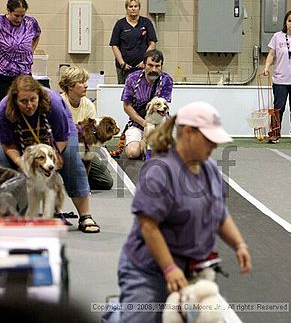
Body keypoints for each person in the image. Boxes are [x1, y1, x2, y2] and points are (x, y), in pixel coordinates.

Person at [103, 101, 252, 323]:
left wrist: (239, 245)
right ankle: (116, 313)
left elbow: (219, 214)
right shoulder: (160, 170)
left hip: (192, 268)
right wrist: (169, 268)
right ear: (189, 133)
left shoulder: (209, 168)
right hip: (149, 269)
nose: (214, 145)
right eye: (209, 139)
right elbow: (148, 226)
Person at [0, 75, 100, 233]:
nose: (29, 105)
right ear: (15, 100)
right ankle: (8, 213)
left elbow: (62, 137)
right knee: (3, 162)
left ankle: (85, 216)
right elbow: (7, 143)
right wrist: (23, 163)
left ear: (39, 96)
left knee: (71, 160)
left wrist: (52, 157)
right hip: (19, 138)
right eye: (23, 101)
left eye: (33, 99)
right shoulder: (4, 108)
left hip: (56, 136)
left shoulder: (53, 102)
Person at [59, 65, 113, 190]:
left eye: (86, 82)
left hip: (82, 149)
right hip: (61, 149)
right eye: (81, 82)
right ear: (70, 86)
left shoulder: (88, 105)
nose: (86, 85)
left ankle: (76, 179)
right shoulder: (59, 103)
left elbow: (92, 136)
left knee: (107, 182)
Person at [121, 49, 173, 159]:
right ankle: (143, 142)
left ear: (161, 66)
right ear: (143, 65)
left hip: (160, 123)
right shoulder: (132, 79)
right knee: (132, 153)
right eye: (150, 65)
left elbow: (162, 108)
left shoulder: (167, 80)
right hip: (138, 123)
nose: (153, 69)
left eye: (157, 66)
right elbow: (126, 106)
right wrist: (145, 124)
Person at [263, 10, 291, 143]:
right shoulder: (277, 36)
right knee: (278, 108)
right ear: (285, 22)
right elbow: (272, 54)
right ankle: (274, 133)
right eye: (289, 20)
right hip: (280, 80)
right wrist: (266, 68)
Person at [0, 0, 41, 101]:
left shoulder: (30, 23)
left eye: (22, 15)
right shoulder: (1, 23)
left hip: (24, 72)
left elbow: (37, 35)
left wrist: (31, 50)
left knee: (26, 102)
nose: (19, 19)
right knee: (5, 105)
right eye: (16, 15)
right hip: (4, 74)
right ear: (8, 11)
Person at [109, 0, 157, 84]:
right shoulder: (120, 24)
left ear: (139, 8)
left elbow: (152, 43)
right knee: (125, 93)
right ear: (126, 8)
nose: (133, 9)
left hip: (142, 67)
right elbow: (114, 45)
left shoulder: (146, 23)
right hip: (124, 68)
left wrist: (145, 62)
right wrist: (122, 63)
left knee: (143, 91)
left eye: (135, 6)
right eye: (130, 7)